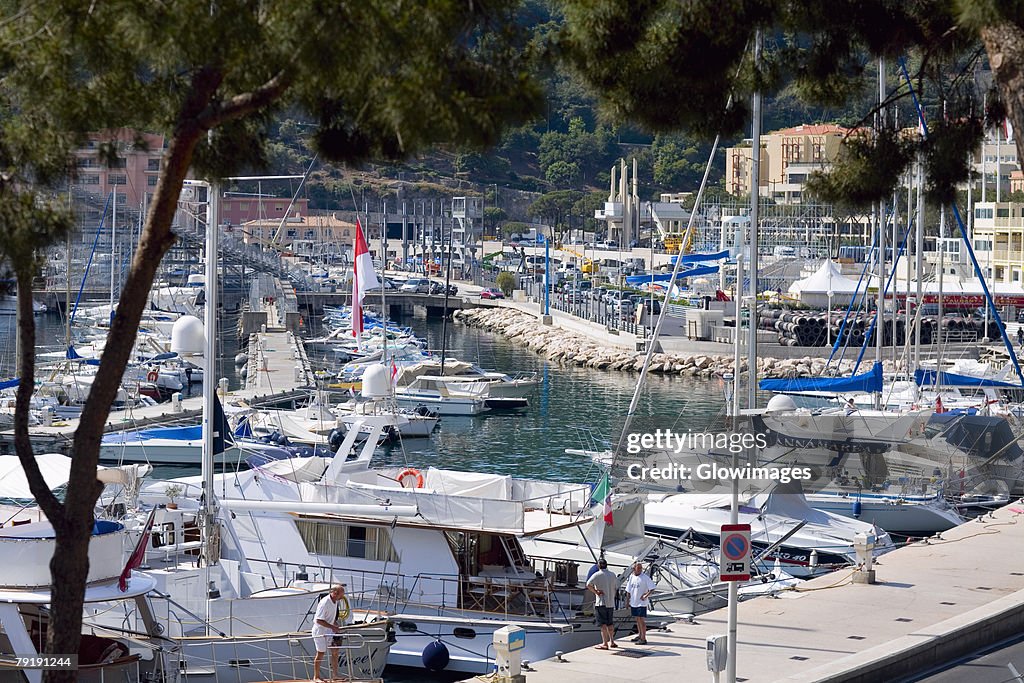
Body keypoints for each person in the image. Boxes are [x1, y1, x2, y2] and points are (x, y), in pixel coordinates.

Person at [312, 584, 348, 682]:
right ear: (335, 593)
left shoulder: (335, 601)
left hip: (329, 630)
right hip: (320, 630)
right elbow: (319, 620)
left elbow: (330, 617)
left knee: (335, 651)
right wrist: (332, 627)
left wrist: (334, 624)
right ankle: (316, 677)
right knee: (320, 653)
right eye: (341, 595)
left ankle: (335, 675)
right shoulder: (325, 602)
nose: (342, 597)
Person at [586, 558, 620, 650]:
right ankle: (612, 641)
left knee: (603, 624)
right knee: (610, 623)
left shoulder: (597, 575)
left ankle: (605, 643)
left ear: (598, 565)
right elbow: (617, 586)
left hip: (601, 602)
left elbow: (588, 584)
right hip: (610, 603)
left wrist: (596, 592)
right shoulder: (613, 575)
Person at [624, 562, 657, 645]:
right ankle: (640, 635)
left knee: (641, 620)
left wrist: (646, 595)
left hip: (641, 602)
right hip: (634, 602)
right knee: (637, 619)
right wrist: (627, 601)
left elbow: (652, 588)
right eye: (638, 568)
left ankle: (643, 638)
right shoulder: (631, 577)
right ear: (634, 569)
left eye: (640, 568)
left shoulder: (645, 578)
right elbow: (628, 590)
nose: (640, 570)